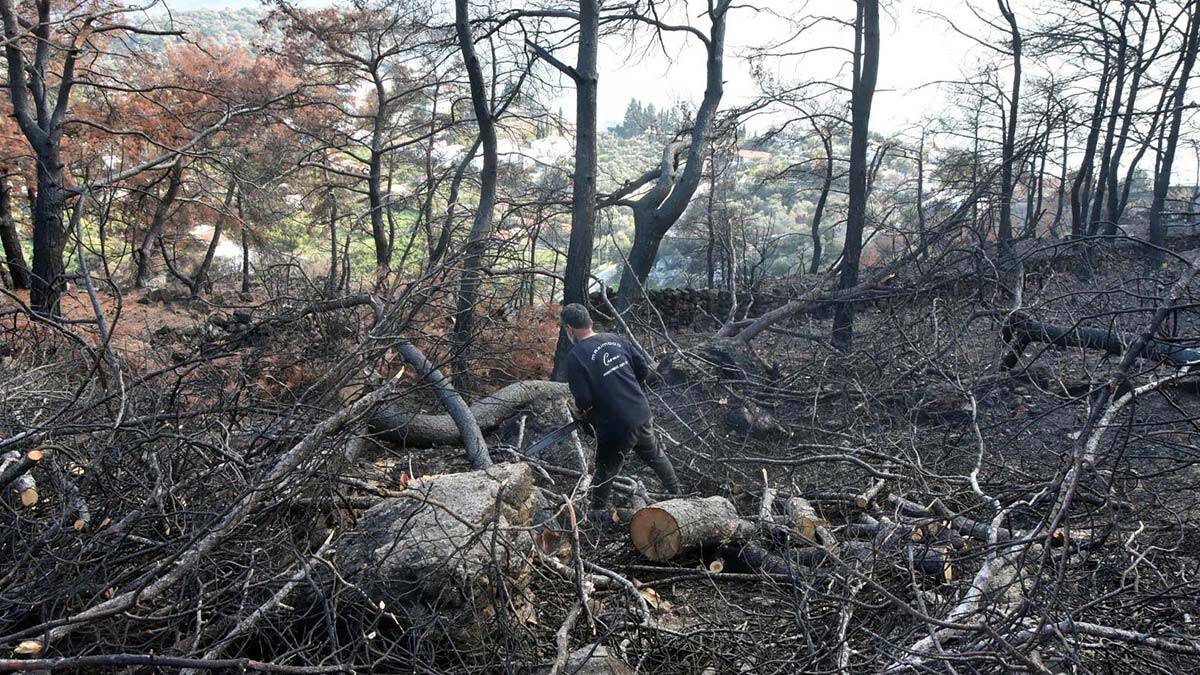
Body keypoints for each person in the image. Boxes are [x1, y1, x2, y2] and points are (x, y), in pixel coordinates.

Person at [560, 303, 682, 513]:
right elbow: (642, 370)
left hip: (615, 424)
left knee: (605, 469)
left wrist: (587, 415)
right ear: (590, 322)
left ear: (570, 329)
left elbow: (583, 399)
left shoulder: (576, 356)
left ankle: (598, 513)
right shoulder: (616, 339)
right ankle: (678, 493)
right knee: (655, 455)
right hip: (640, 411)